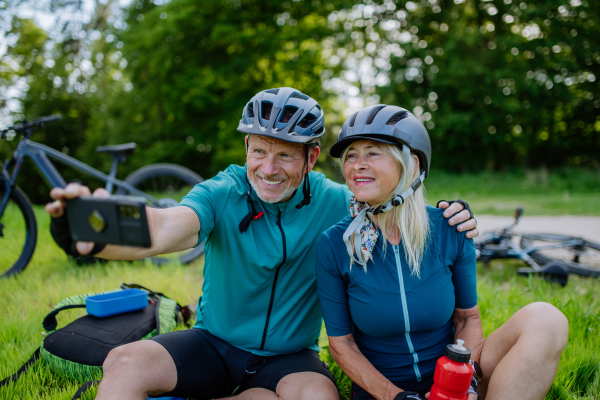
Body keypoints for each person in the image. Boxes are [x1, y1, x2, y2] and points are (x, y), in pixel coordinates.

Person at [45, 88, 478, 400]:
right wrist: (88, 230)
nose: (268, 169)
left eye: (285, 155)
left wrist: (451, 213)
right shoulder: (222, 192)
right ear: (246, 148)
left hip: (290, 357)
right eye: (258, 151)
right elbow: (163, 229)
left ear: (310, 159)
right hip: (212, 344)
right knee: (125, 362)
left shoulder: (338, 203)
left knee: (317, 397)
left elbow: (392, 193)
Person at [316, 104, 569, 400]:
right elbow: (341, 344)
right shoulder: (334, 244)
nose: (357, 164)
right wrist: (397, 397)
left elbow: (467, 319)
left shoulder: (450, 227)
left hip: (454, 375)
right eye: (351, 155)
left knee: (545, 318)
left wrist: (466, 382)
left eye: (373, 152)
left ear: (412, 163)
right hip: (383, 392)